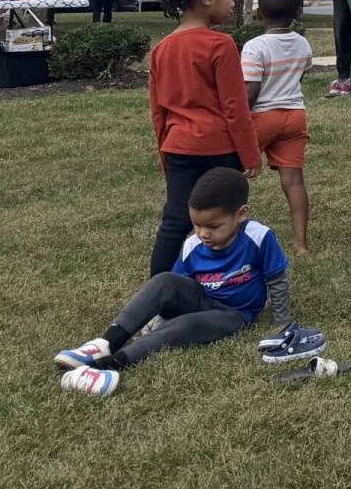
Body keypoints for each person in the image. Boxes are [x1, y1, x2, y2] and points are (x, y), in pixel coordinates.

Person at [52, 168, 313, 397]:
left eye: (213, 226)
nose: (203, 233)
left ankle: (109, 366)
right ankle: (104, 344)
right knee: (164, 280)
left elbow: (276, 280)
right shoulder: (192, 245)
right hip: (200, 299)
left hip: (233, 314)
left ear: (241, 214)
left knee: (182, 327)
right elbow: (176, 286)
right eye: (197, 225)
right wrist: (156, 316)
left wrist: (283, 323)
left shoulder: (259, 237)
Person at [146, 0, 261, 278]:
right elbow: (235, 107)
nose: (233, 2)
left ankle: (157, 292)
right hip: (219, 150)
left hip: (178, 149)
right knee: (227, 218)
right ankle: (228, 280)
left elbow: (159, 112)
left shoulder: (161, 50)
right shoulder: (220, 45)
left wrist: (165, 155)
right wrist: (250, 155)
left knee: (175, 220)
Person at [243, 0, 314, 254]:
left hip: (262, 117)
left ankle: (227, 230)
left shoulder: (254, 47)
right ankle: (300, 244)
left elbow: (251, 90)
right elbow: (301, 73)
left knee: (234, 173)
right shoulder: (302, 44)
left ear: (260, 11)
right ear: (298, 13)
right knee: (293, 181)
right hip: (295, 116)